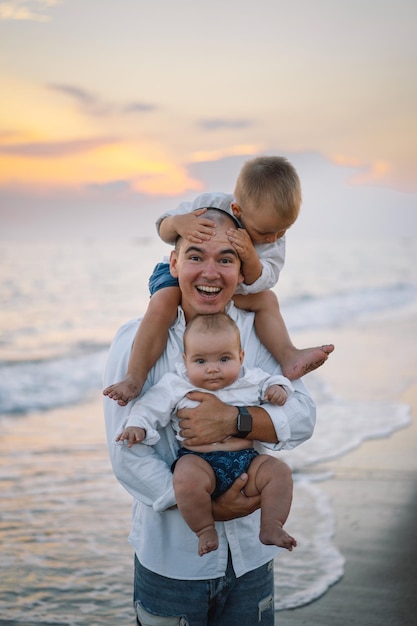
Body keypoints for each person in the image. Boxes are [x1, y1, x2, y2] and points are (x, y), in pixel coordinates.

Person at [103, 208, 317, 625]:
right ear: (173, 263)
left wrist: (235, 420)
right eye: (196, 255)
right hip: (172, 561)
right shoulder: (136, 339)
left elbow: (304, 415)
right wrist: (208, 508)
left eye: (226, 258)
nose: (211, 272)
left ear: (242, 270)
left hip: (253, 560)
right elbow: (126, 456)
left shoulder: (255, 333)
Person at [103, 155, 334, 407]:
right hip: (173, 277)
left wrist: (248, 255)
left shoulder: (273, 238)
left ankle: (288, 355)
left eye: (283, 231)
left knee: (268, 299)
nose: (273, 239)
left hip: (241, 282)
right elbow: (163, 229)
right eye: (266, 233)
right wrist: (177, 223)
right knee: (163, 302)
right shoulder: (209, 203)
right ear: (237, 210)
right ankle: (135, 376)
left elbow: (264, 281)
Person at [116, 312, 297, 557]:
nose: (213, 369)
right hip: (199, 461)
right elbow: (148, 407)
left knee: (279, 472)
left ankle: (272, 525)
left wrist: (278, 389)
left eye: (224, 359)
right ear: (185, 360)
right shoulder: (176, 385)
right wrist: (137, 426)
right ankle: (204, 529)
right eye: (200, 361)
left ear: (241, 357)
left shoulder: (249, 379)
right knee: (186, 477)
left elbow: (275, 380)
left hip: (247, 461)